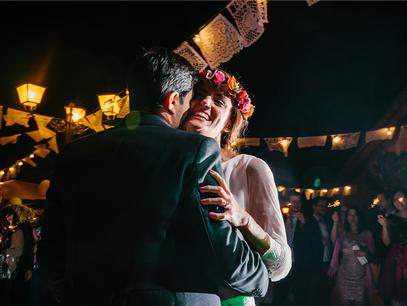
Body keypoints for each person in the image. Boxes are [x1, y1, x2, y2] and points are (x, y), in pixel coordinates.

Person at [39, 47, 269, 306]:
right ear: (173, 100)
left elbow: (50, 258)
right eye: (190, 99)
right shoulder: (195, 151)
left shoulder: (74, 153)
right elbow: (221, 248)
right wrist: (260, 278)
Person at [183, 68, 291, 305]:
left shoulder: (248, 168)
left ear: (229, 121)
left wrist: (242, 218)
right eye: (199, 94)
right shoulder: (173, 163)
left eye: (218, 101)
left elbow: (281, 266)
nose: (204, 102)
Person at [328, 207, 374, 306]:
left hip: (361, 276)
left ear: (359, 216)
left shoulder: (367, 233)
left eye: (355, 214)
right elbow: (333, 240)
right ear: (346, 217)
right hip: (344, 276)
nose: (352, 217)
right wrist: (335, 223)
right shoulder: (342, 232)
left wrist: (365, 253)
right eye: (350, 215)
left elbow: (372, 256)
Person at [377, 191, 407, 306]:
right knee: (397, 295)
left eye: (400, 197)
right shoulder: (391, 218)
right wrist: (384, 226)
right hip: (397, 259)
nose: (397, 201)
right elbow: (386, 242)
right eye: (394, 200)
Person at [291, 197, 331, 306]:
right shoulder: (307, 221)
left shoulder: (328, 221)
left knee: (322, 293)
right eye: (321, 205)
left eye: (325, 206)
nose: (323, 208)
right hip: (312, 263)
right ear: (314, 207)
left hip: (326, 261)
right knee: (310, 293)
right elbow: (303, 241)